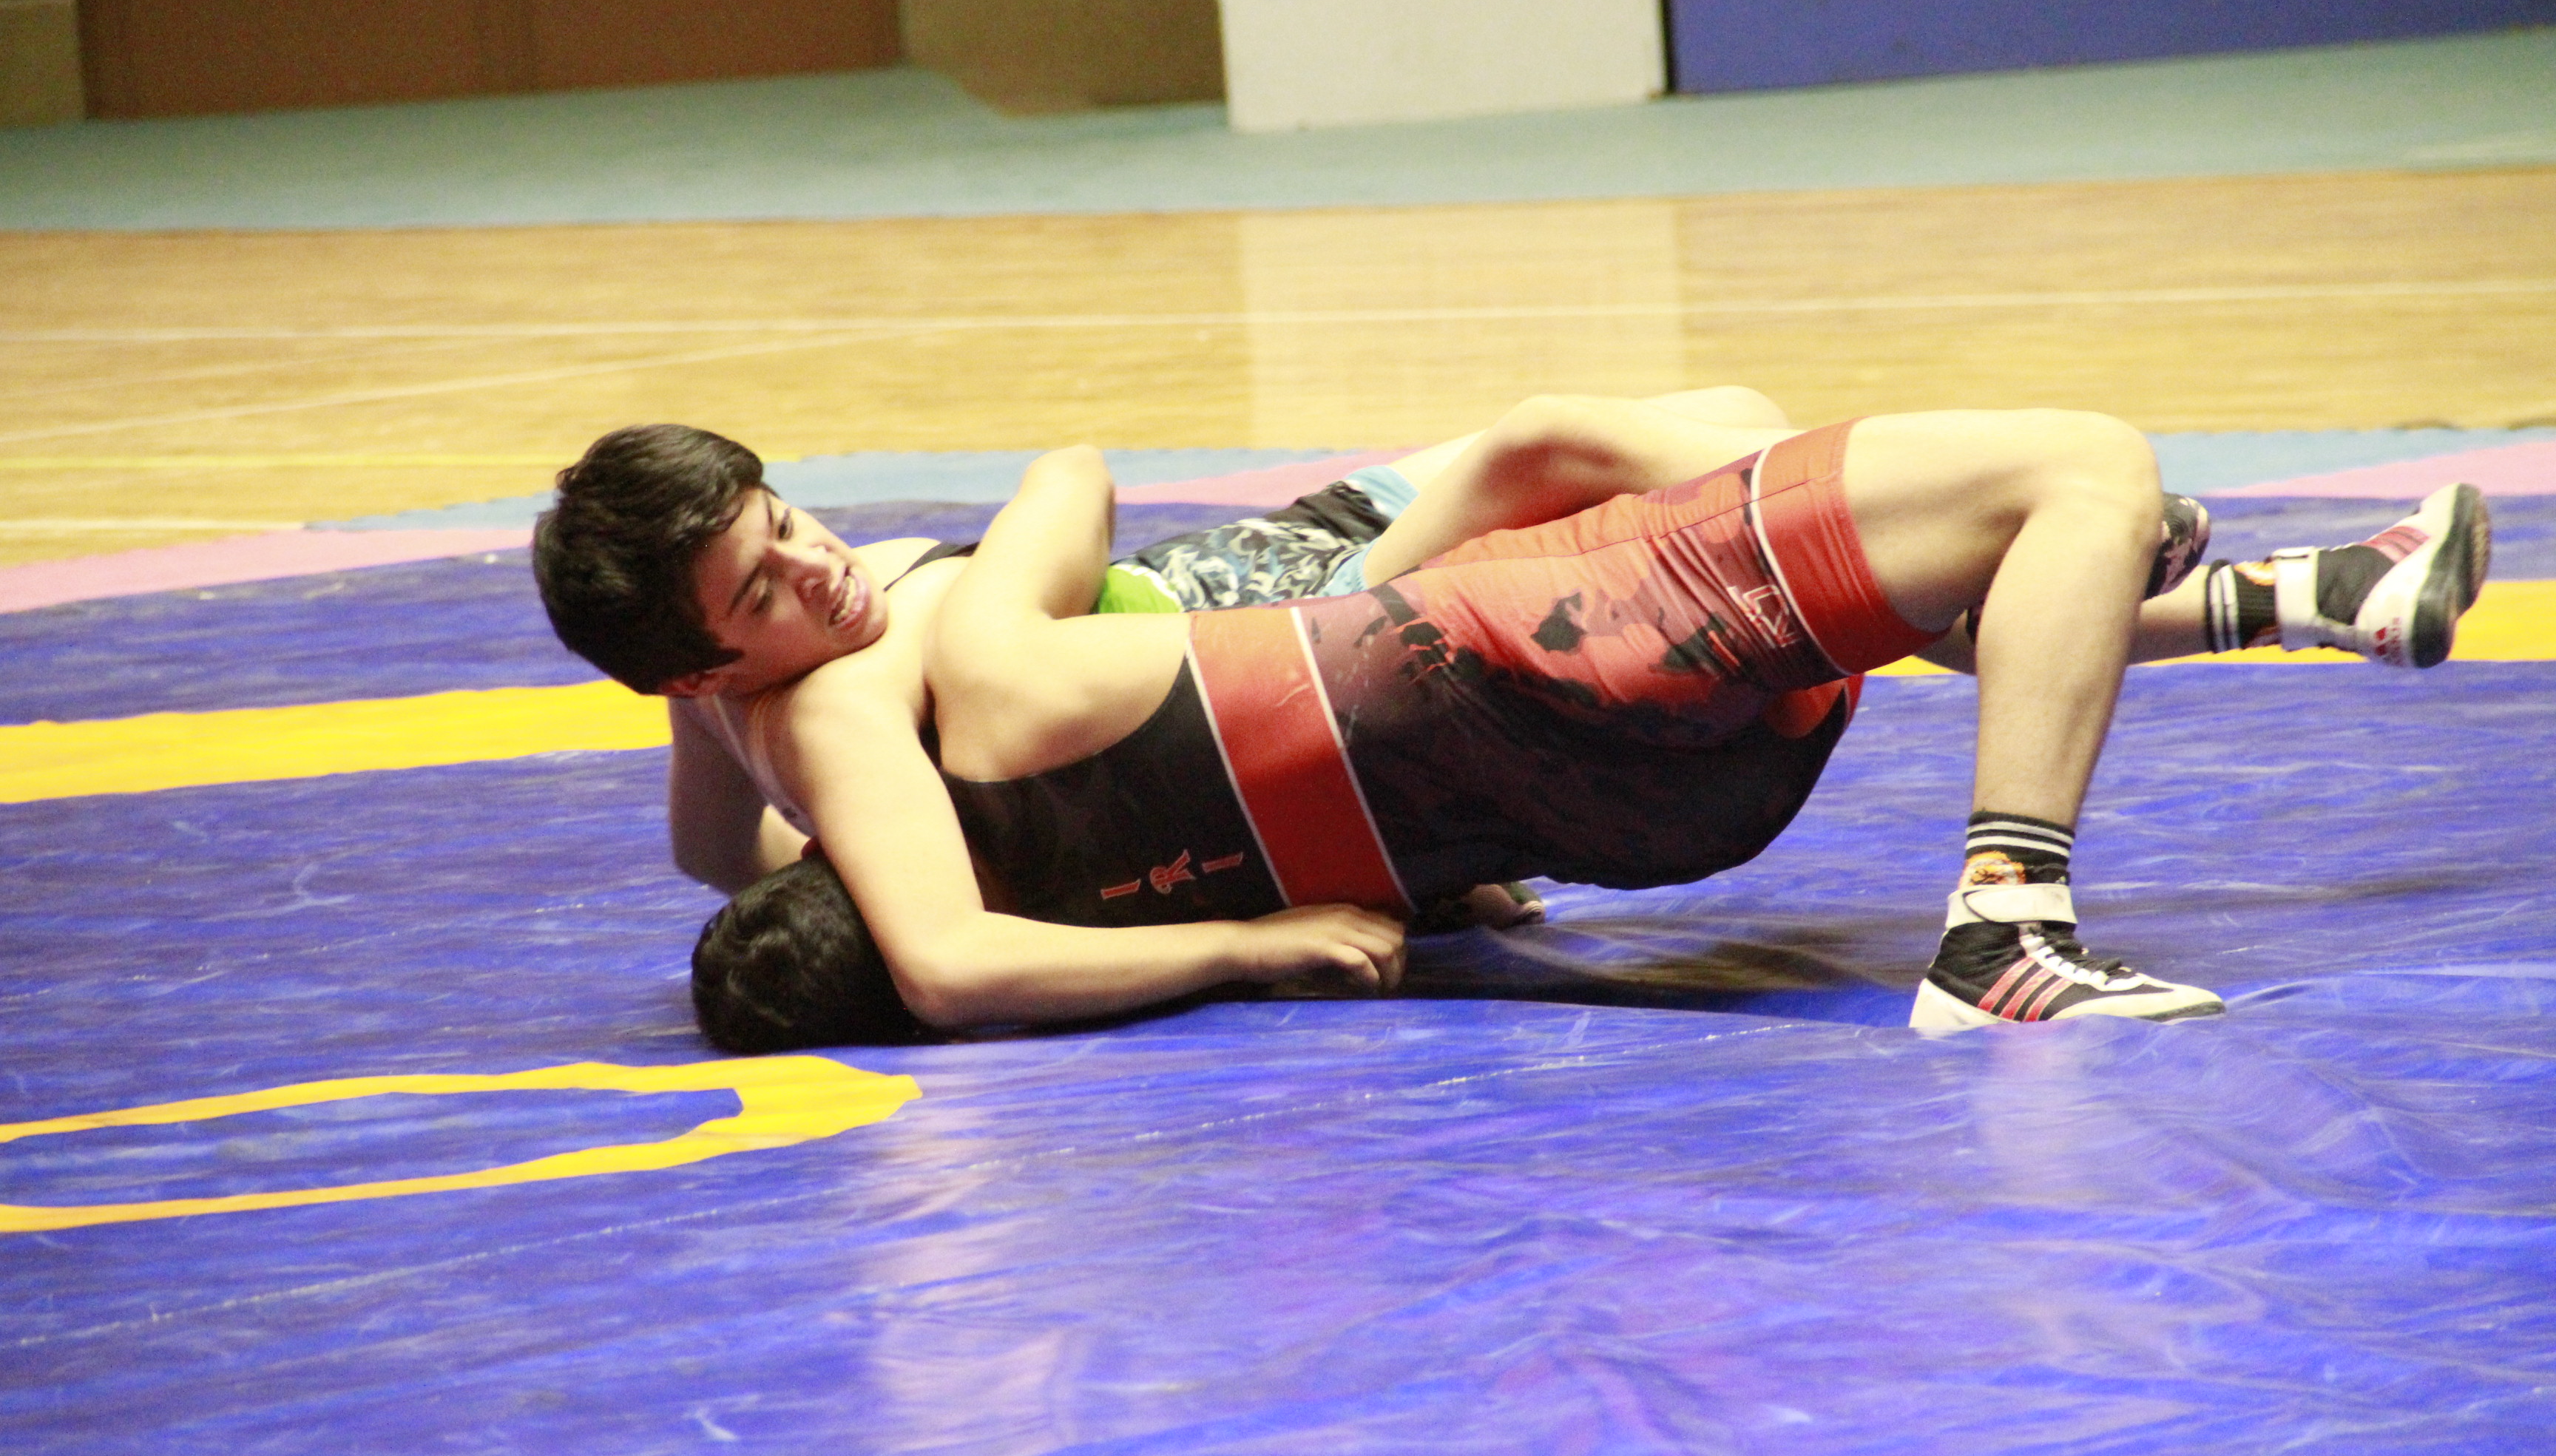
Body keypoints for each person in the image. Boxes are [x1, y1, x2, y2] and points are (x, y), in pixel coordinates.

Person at [679, 410, 2489, 1049]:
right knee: (2081, 467)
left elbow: (761, 861)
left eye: (788, 536)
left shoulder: (954, 820)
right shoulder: (936, 682)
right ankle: (2004, 931)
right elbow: (1069, 477)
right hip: (1516, 653)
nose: (819, 579)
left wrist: (1260, 941)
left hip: (1628, 806)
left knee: (1941, 510)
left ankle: (2285, 596)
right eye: (764, 587)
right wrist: (925, 586)